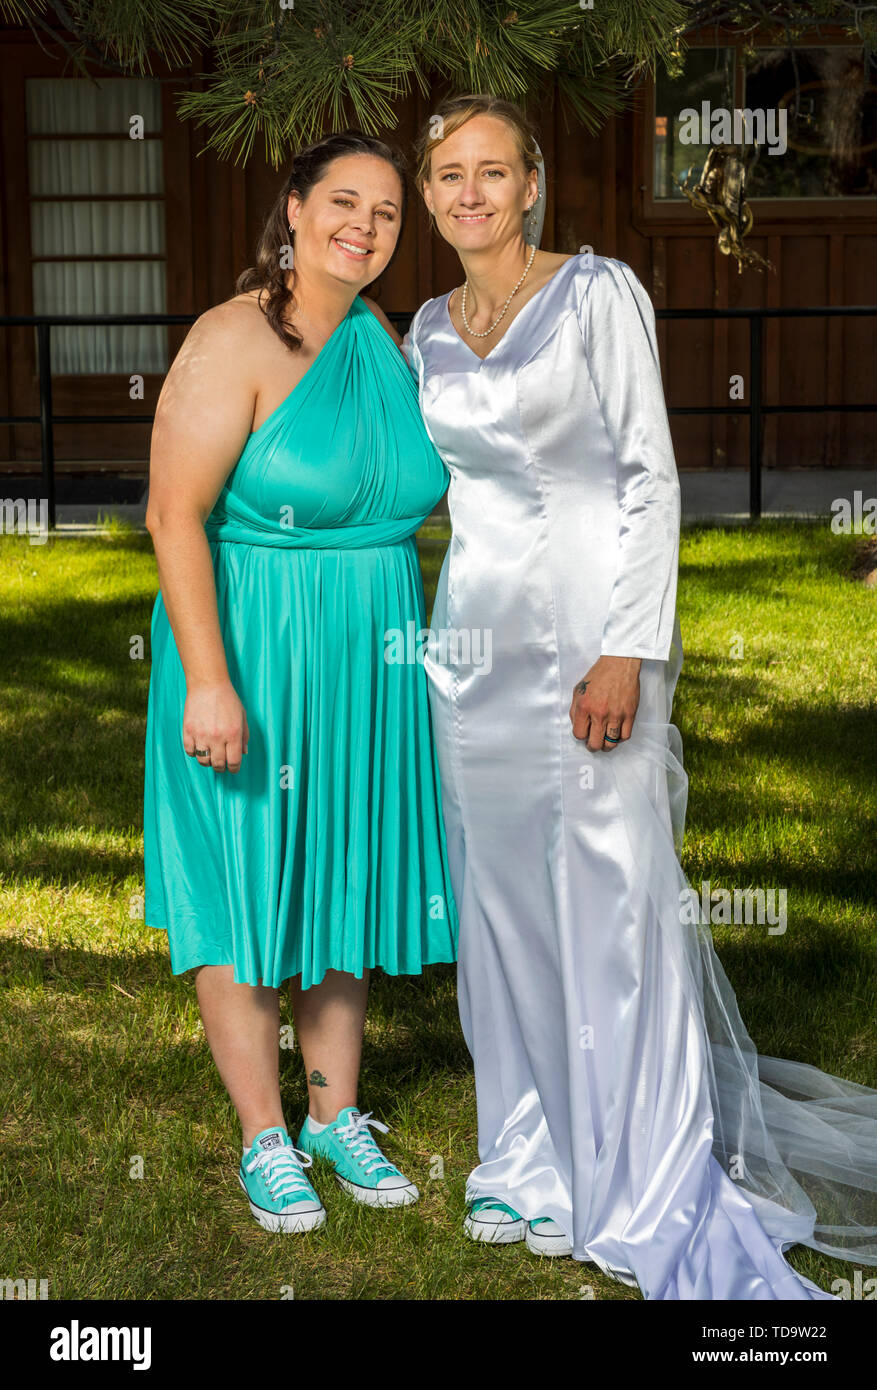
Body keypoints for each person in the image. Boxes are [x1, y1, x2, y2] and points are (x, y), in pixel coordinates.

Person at [402, 92, 877, 1300]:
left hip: (586, 636)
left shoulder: (597, 294)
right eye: (447, 173)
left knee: (609, 897)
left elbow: (648, 481)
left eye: (491, 172)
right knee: (499, 903)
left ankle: (638, 1163)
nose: (470, 193)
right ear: (428, 193)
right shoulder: (425, 326)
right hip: (469, 650)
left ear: (533, 185)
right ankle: (525, 1152)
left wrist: (625, 648)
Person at [143, 130, 458, 1236]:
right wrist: (210, 684)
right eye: (342, 202)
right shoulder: (234, 337)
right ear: (292, 207)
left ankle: (336, 1115)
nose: (363, 226)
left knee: (340, 875)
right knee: (245, 880)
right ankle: (264, 1137)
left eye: (383, 210)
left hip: (369, 648)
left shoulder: (386, 339)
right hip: (253, 646)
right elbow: (172, 513)